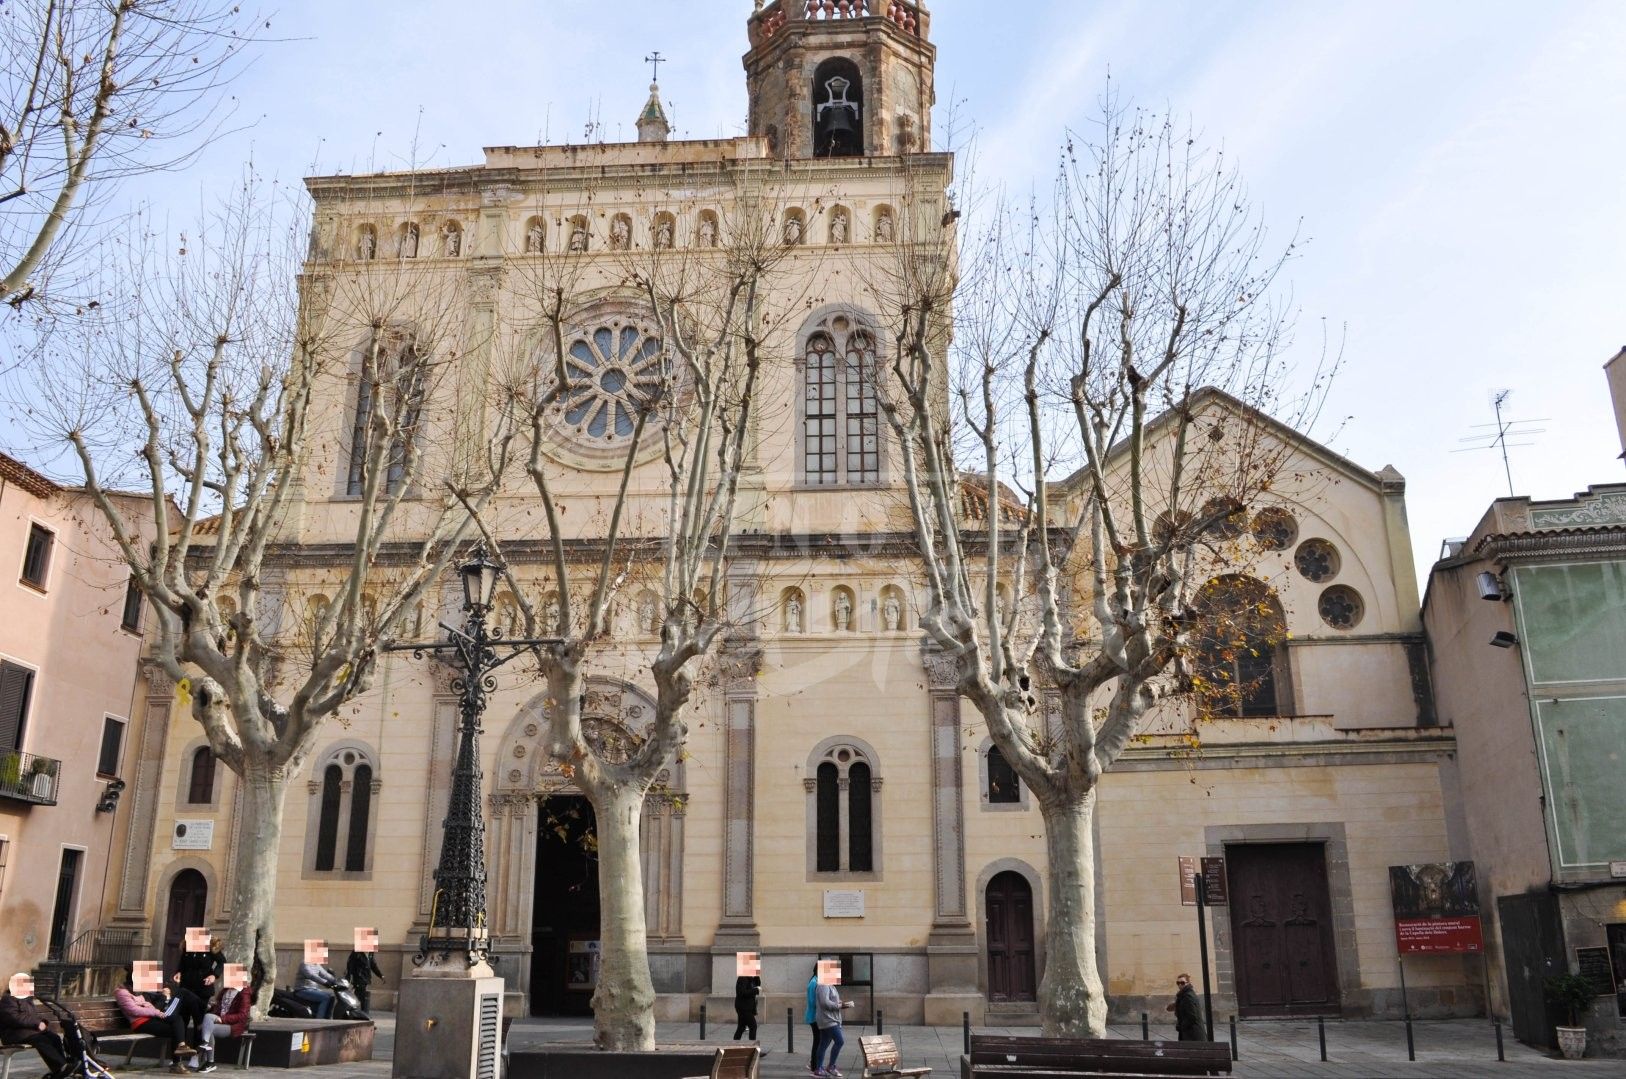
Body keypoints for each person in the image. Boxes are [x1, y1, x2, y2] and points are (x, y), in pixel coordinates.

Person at [115, 978, 196, 1073]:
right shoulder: (121, 992)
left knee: (177, 1019)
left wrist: (162, 999)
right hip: (140, 1023)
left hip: (151, 1018)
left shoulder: (137, 991)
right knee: (176, 1030)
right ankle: (176, 1064)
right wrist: (155, 1011)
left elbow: (149, 1005)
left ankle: (181, 1046)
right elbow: (134, 1010)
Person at [1, 973, 69, 1078]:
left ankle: (61, 1068)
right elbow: (15, 1018)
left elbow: (32, 1016)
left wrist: (42, 1023)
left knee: (54, 1037)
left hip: (27, 1033)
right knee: (41, 1040)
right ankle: (61, 1066)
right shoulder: (8, 999)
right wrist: (37, 1023)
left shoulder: (26, 1000)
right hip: (13, 1034)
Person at [195, 983, 252, 1073]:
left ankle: (208, 1056)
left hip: (234, 1025)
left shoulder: (244, 991)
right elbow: (218, 1010)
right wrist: (212, 1009)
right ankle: (208, 1057)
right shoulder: (225, 990)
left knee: (209, 1027)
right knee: (207, 1018)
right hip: (220, 1021)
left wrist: (223, 1019)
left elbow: (243, 1015)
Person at [813, 974, 853, 1077]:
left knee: (823, 1044)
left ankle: (819, 1068)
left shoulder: (831, 985)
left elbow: (832, 1001)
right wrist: (839, 1005)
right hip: (828, 1019)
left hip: (831, 1018)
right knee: (839, 1041)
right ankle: (830, 1066)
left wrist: (843, 1004)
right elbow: (824, 1003)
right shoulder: (823, 985)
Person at [292, 955, 341, 1020]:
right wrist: (325, 982)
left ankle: (328, 1019)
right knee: (325, 998)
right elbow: (311, 976)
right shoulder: (305, 963)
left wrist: (336, 981)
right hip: (302, 989)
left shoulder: (316, 964)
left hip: (313, 989)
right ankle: (319, 1020)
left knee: (332, 997)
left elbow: (325, 974)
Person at [1166, 972, 1205, 1041]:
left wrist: (1181, 1026)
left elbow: (1192, 1017)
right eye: (1178, 983)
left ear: (1188, 983)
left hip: (1193, 1035)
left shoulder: (1188, 996)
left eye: (1182, 983)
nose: (1180, 985)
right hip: (1188, 1033)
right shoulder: (1183, 995)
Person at [731, 970, 760, 1041]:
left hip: (747, 1007)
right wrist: (756, 990)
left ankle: (735, 1045)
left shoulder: (750, 978)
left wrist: (757, 977)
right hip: (743, 1007)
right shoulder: (742, 978)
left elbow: (757, 985)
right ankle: (752, 1047)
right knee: (753, 1026)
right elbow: (742, 992)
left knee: (741, 1027)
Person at [803, 970, 820, 1075]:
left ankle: (814, 1062)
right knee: (818, 1041)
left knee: (820, 1040)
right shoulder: (814, 982)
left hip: (816, 1016)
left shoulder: (816, 981)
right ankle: (814, 1065)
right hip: (814, 1017)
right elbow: (813, 1002)